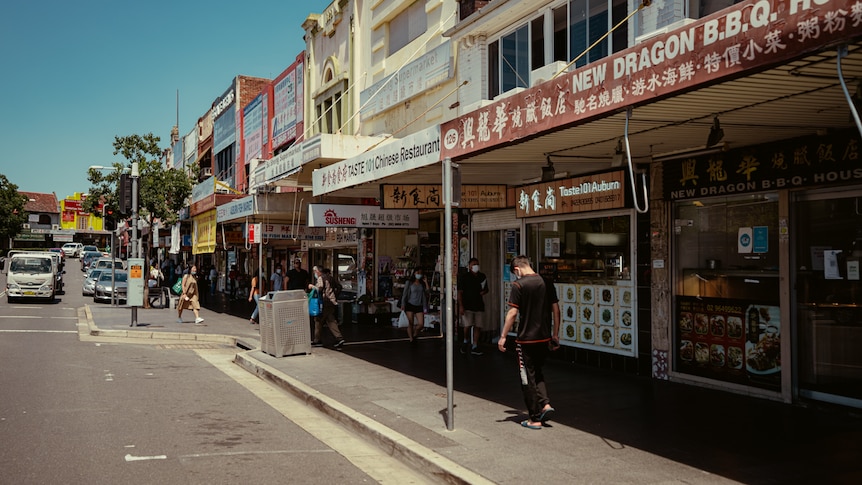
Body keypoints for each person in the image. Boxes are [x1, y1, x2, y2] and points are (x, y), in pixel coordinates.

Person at [498, 256, 561, 430]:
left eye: (515, 273)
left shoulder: (519, 286)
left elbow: (512, 313)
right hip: (544, 337)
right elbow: (556, 310)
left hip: (526, 339)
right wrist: (555, 334)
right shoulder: (546, 282)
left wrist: (503, 336)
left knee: (527, 378)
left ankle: (534, 418)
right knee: (538, 372)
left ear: (517, 270)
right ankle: (545, 404)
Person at [458, 257, 489, 356]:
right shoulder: (465, 277)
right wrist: (461, 306)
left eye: (477, 264)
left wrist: (483, 292)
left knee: (478, 326)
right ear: (469, 266)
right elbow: (460, 292)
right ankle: (466, 340)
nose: (476, 266)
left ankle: (475, 345)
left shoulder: (482, 276)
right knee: (467, 325)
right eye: (473, 264)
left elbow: (486, 289)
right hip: (467, 305)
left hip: (479, 305)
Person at [308, 266, 344, 348]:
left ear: (318, 272)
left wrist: (312, 286)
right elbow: (339, 287)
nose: (314, 274)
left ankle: (317, 339)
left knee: (318, 320)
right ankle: (339, 338)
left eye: (315, 272)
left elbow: (319, 288)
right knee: (331, 320)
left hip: (323, 302)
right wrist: (335, 296)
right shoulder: (331, 278)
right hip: (331, 302)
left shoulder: (321, 278)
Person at [400, 268, 428, 343]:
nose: (419, 274)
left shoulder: (422, 284)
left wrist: (426, 282)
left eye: (420, 273)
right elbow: (404, 294)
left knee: (421, 324)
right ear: (414, 273)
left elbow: (427, 293)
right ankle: (411, 338)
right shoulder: (409, 283)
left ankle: (415, 332)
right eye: (417, 272)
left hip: (419, 305)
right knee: (410, 322)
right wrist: (403, 304)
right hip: (410, 305)